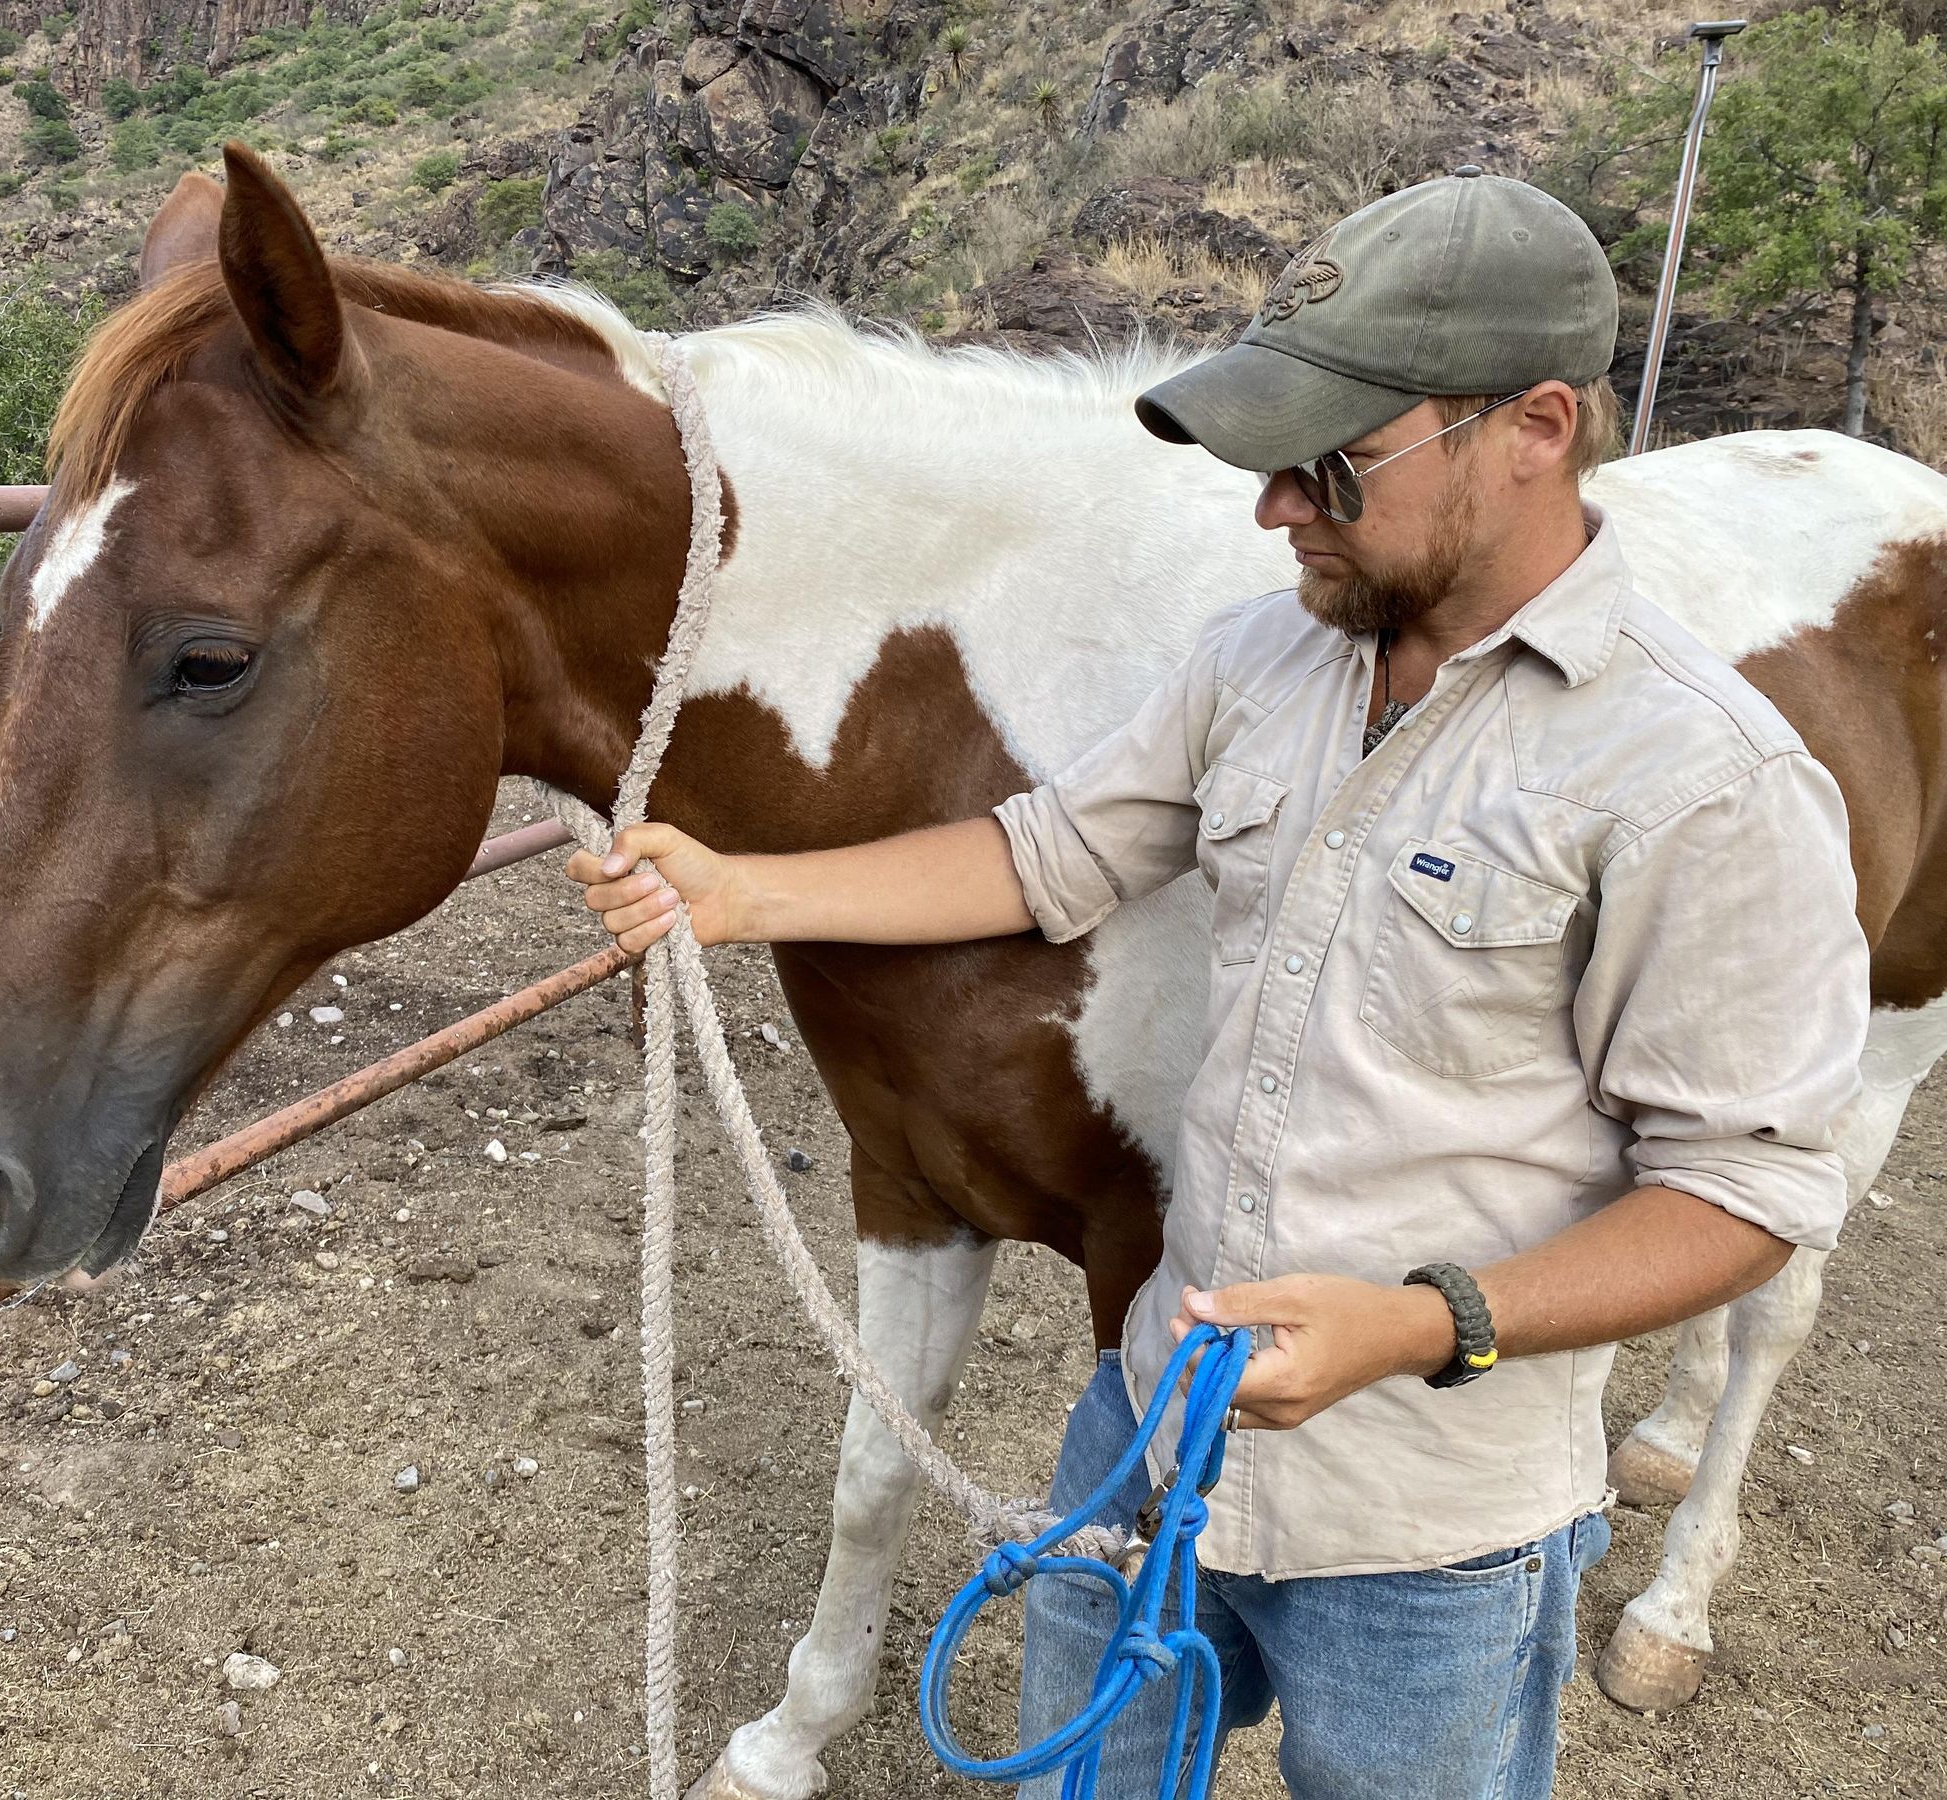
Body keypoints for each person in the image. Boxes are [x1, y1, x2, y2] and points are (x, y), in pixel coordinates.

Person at [562, 170, 1869, 1798]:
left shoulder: (1706, 781)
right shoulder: (1266, 661)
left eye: (1330, 464)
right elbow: (1054, 853)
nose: (1275, 511)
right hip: (1153, 1426)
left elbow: (1744, 1192)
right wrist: (742, 889)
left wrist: (1415, 1327)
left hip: (1430, 1532)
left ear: (1532, 428)